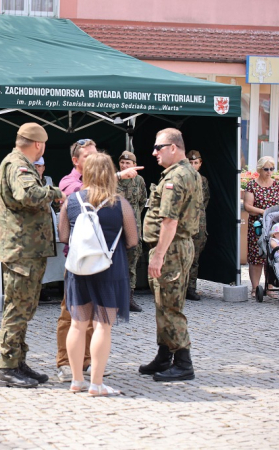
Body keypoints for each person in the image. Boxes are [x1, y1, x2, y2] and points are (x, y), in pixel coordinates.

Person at [55, 139, 143, 383]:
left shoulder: (72, 201)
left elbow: (62, 236)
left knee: (77, 324)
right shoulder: (119, 203)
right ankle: (95, 382)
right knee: (102, 325)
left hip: (78, 267)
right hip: (109, 268)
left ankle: (76, 380)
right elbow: (133, 240)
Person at [0, 122, 65, 388]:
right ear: (39, 145)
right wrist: (57, 192)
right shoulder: (18, 165)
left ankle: (18, 361)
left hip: (28, 250)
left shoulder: (17, 163)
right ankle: (7, 367)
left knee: (25, 307)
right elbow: (28, 194)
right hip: (21, 250)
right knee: (17, 308)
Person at [139, 128, 201, 382]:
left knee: (170, 307)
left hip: (171, 248)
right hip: (174, 247)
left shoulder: (177, 177)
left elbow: (169, 221)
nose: (154, 152)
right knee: (163, 304)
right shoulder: (188, 173)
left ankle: (183, 362)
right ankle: (165, 356)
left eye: (158, 147)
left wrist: (158, 256)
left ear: (173, 148)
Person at [244, 156, 279, 297]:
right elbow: (248, 206)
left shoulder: (277, 185)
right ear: (259, 169)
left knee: (272, 256)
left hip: (274, 225)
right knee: (256, 257)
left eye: (272, 169)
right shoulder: (252, 185)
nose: (269, 172)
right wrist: (264, 212)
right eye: (266, 169)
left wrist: (276, 213)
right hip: (257, 225)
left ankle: (269, 287)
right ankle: (255, 288)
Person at [116, 150, 147, 312]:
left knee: (131, 264)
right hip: (115, 230)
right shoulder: (114, 180)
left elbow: (142, 201)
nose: (125, 165)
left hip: (133, 230)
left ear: (134, 165)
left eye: (128, 163)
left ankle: (129, 298)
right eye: (122, 162)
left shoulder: (139, 181)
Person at [34, 157, 63, 298]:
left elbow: (57, 201)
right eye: (35, 166)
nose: (37, 168)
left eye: (39, 166)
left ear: (43, 167)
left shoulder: (49, 181)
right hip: (33, 218)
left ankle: (44, 287)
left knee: (49, 255)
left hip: (48, 216)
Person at [185, 150, 210, 301]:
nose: (193, 165)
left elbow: (204, 200)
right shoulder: (181, 179)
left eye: (196, 163)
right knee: (181, 256)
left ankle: (191, 288)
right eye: (190, 162)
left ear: (200, 164)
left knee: (195, 256)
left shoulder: (203, 180)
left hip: (199, 222)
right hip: (184, 222)